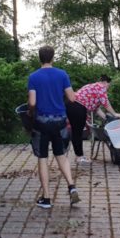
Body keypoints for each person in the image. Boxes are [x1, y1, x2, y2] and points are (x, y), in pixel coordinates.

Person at [27, 45, 81, 209]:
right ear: (52, 58)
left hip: (42, 123)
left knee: (42, 158)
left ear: (39, 58)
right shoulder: (62, 74)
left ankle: (47, 198)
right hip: (59, 121)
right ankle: (72, 186)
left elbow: (32, 102)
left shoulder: (33, 77)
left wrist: (30, 112)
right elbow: (72, 98)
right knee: (61, 155)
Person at [66, 75, 120, 164]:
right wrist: (114, 114)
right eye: (108, 85)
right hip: (78, 107)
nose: (107, 88)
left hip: (72, 105)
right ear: (105, 82)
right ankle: (79, 157)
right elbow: (106, 103)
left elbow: (96, 109)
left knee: (76, 132)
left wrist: (106, 118)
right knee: (77, 133)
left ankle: (78, 156)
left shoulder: (92, 87)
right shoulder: (101, 87)